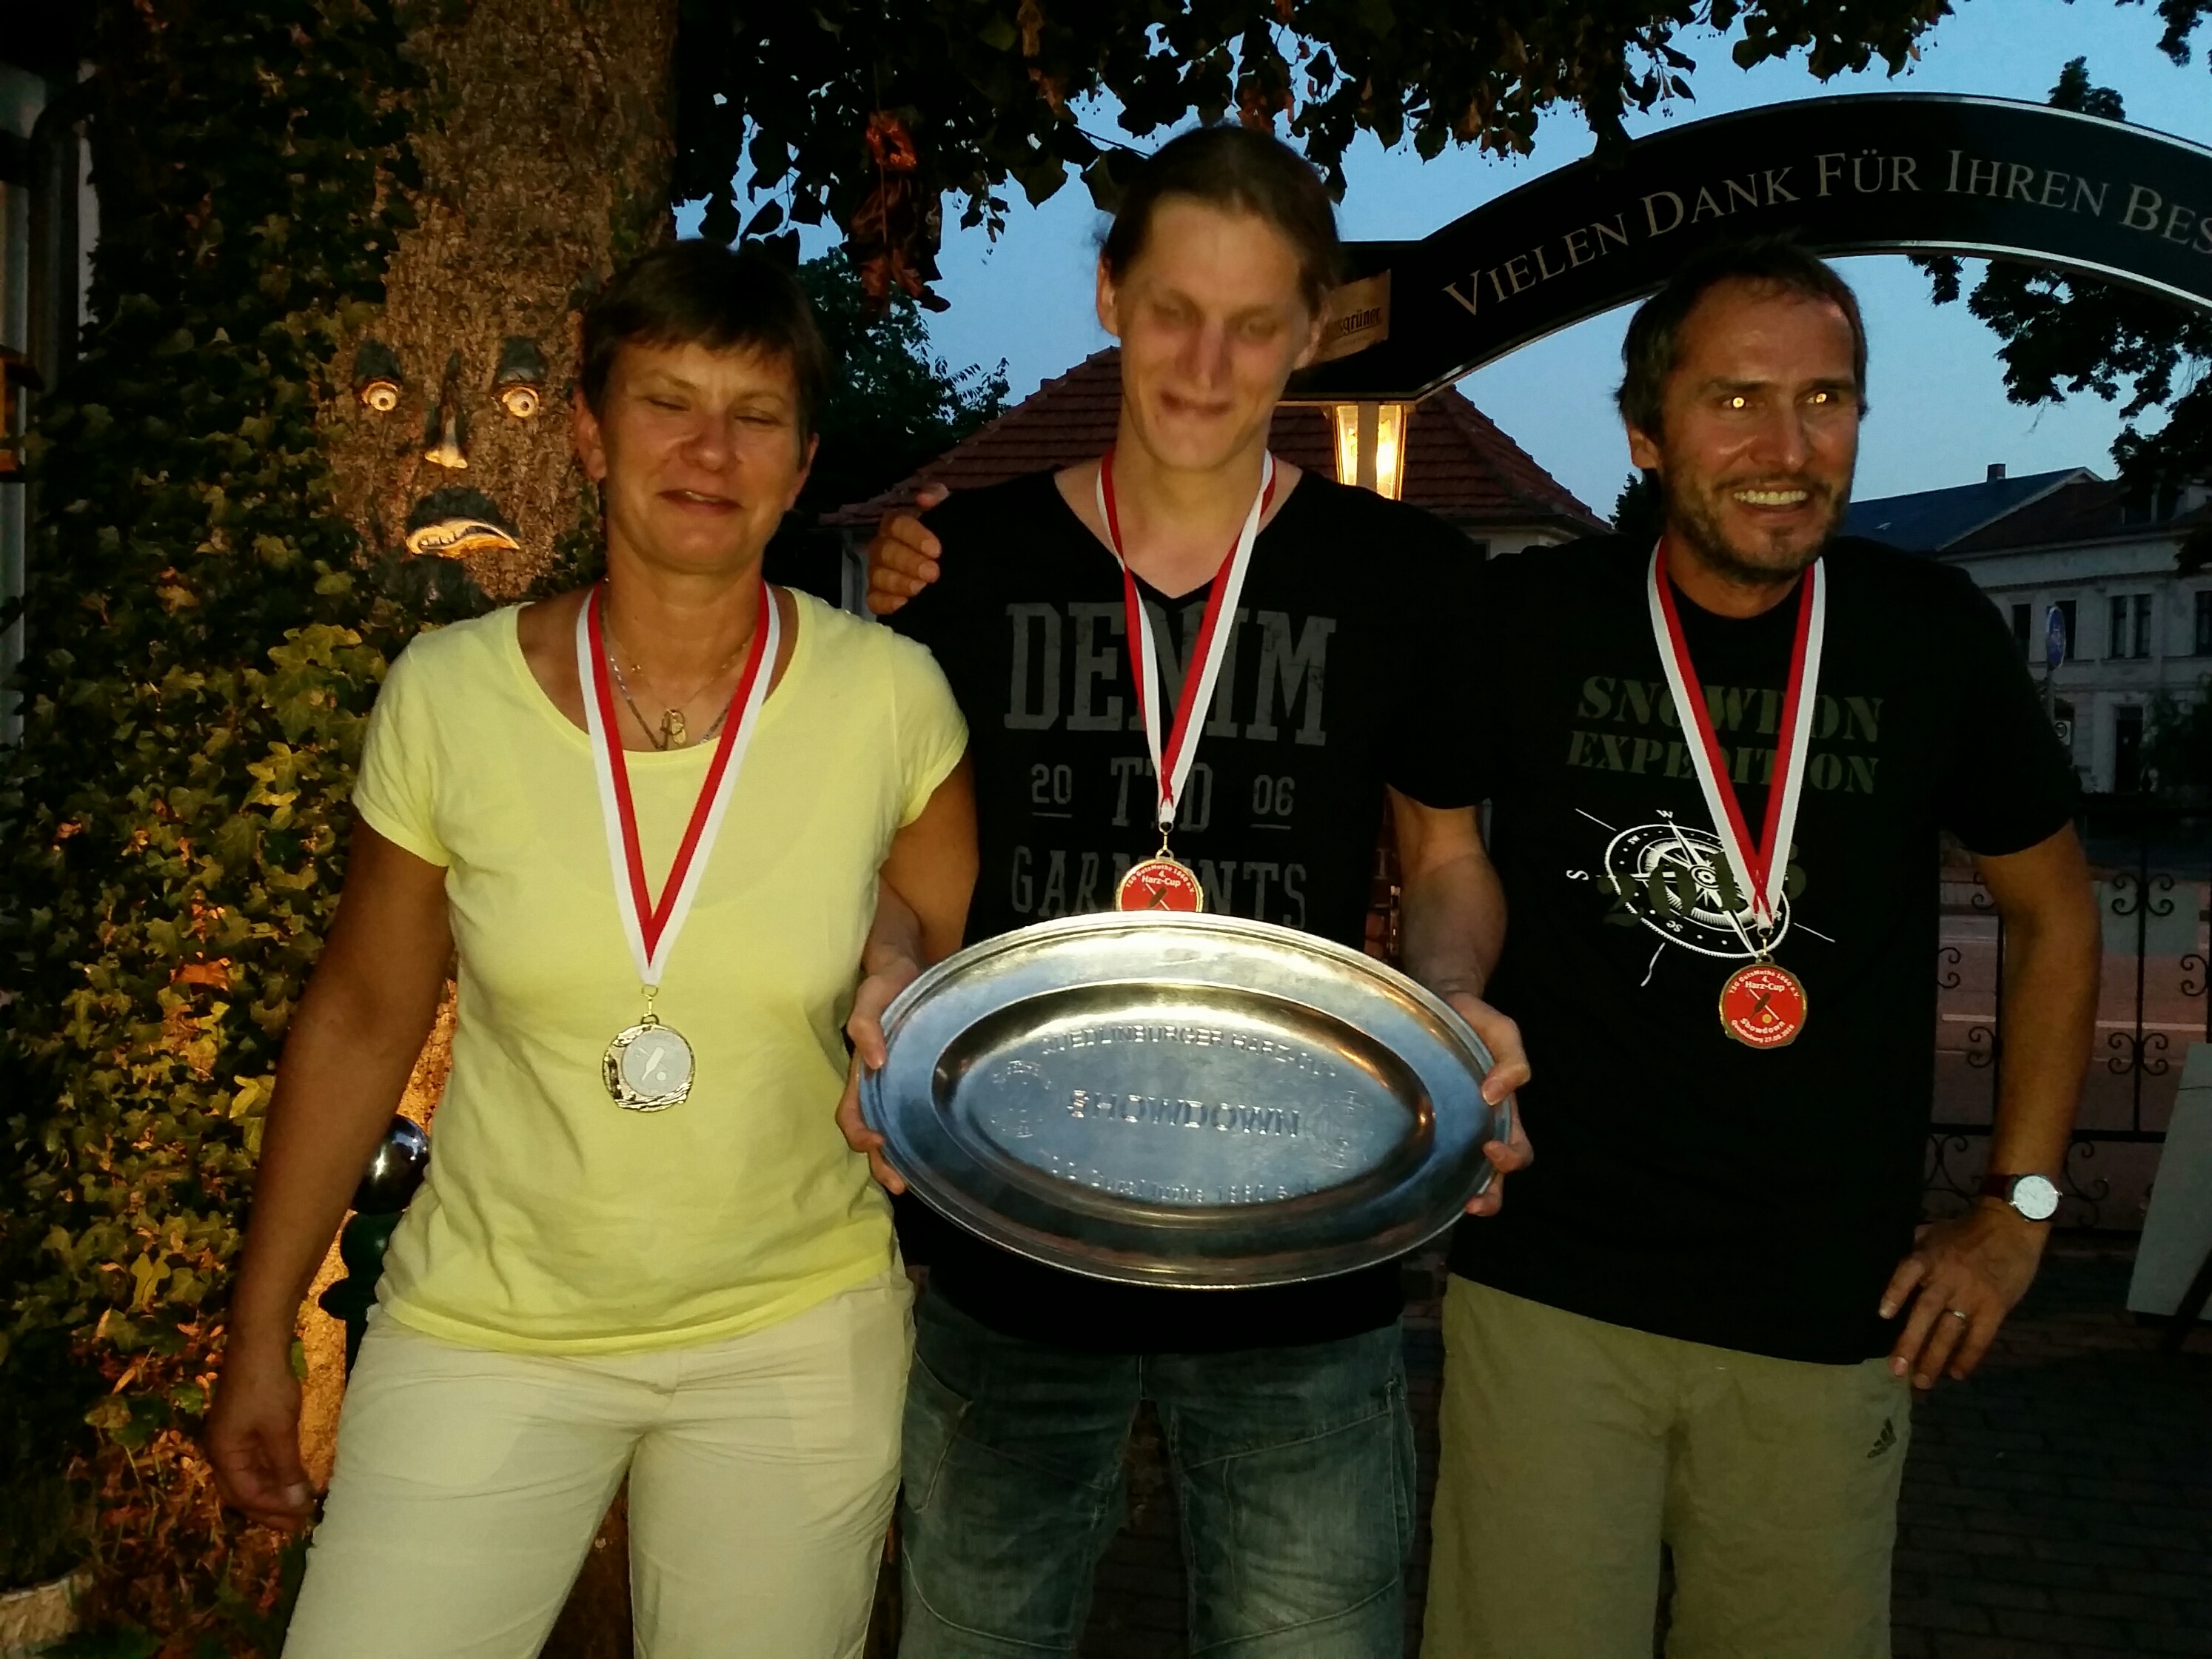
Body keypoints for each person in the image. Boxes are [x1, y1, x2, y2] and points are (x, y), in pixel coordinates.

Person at [207, 242, 977, 1658]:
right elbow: (363, 1018)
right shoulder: (448, 697)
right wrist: (260, 1319)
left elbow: (933, 964)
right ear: (587, 427)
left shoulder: (891, 700)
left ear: (803, 462)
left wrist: (892, 962)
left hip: (790, 1330)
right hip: (488, 1324)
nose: (707, 449)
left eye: (754, 416)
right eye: (665, 401)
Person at [845, 124, 1530, 1659]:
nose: (1207, 363)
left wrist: (1456, 1000)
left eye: (1252, 323)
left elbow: (1446, 856)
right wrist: (886, 976)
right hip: (1006, 1237)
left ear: (1310, 335)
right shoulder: (961, 566)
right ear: (1106, 296)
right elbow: (913, 867)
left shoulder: (1410, 579)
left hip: (1304, 1251)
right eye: (1172, 309)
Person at [1410, 240, 2099, 1658]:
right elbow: (1439, 848)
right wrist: (1456, 987)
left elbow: (2056, 911)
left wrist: (2017, 1213)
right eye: (1736, 401)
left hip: (1832, 1307)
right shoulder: (1531, 619)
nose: (1787, 448)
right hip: (1552, 1280)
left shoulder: (1933, 636)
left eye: (1827, 399)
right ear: (1648, 432)